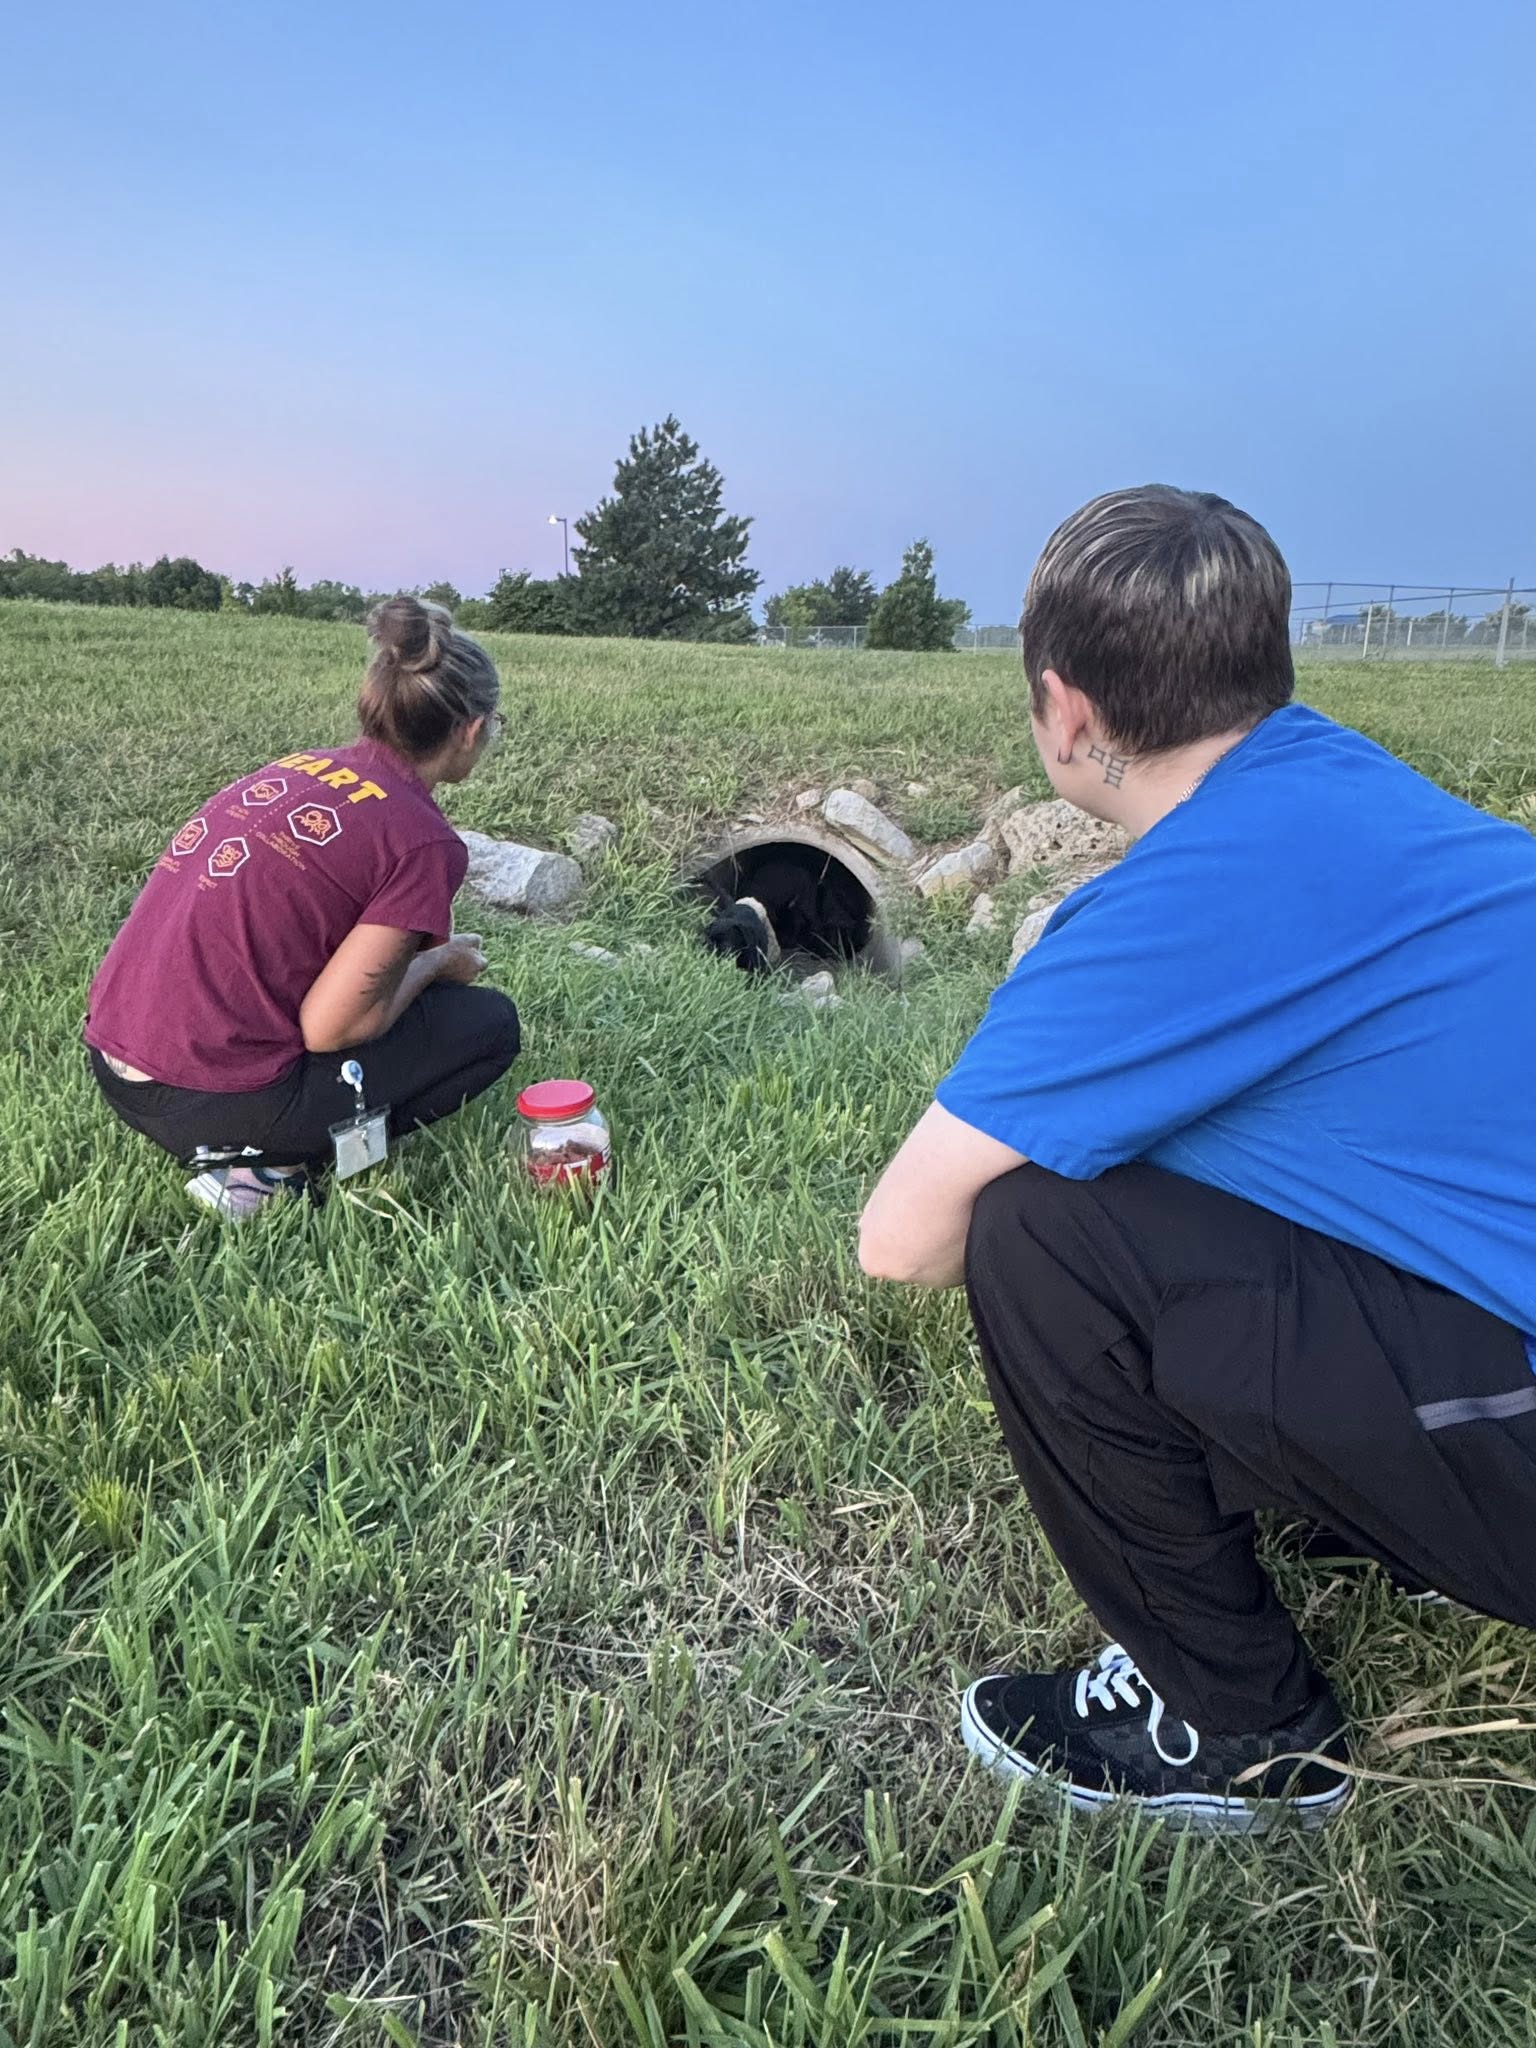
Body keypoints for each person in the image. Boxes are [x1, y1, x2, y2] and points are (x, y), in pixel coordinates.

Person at [859, 486, 1536, 1833]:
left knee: (1042, 1235)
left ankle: (1245, 1732)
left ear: (1065, 707)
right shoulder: (1361, 791)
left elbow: (902, 1242)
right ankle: (1355, 1514)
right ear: (1269, 667)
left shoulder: (1175, 908)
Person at [85, 596, 521, 1218]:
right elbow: (334, 1029)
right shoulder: (423, 841)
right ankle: (267, 1166)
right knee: (487, 1025)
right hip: (205, 1100)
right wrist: (437, 963)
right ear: (472, 729)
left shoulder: (298, 767)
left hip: (114, 1064)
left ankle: (254, 1143)